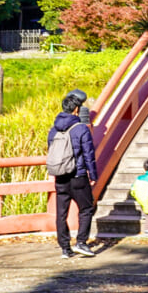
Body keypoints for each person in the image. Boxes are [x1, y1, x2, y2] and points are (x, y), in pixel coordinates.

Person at [48, 91, 98, 259]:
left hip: (60, 176)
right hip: (78, 176)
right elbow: (89, 154)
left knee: (61, 213)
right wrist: (93, 175)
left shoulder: (53, 130)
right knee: (86, 208)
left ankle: (65, 248)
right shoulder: (81, 129)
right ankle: (81, 242)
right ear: (76, 109)